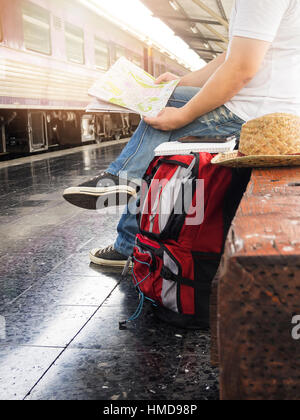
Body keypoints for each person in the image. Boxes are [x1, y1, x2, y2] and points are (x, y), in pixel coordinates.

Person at [63, 0, 300, 268]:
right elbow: (231, 57)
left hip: (256, 115)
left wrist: (183, 115)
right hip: (266, 109)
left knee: (163, 120)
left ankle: (122, 185)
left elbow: (240, 69)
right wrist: (180, 82)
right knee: (162, 130)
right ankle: (125, 201)